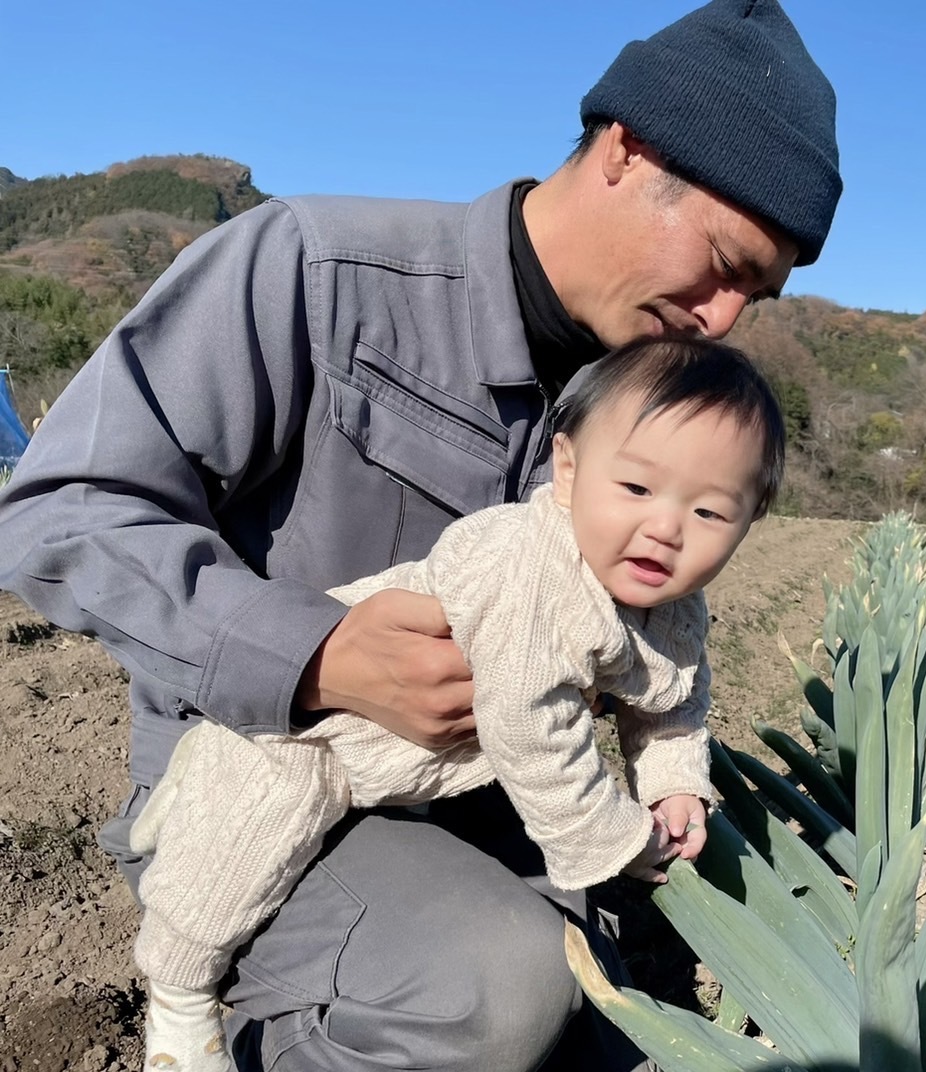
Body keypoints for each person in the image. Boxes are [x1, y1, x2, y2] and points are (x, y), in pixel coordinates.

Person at [0, 0, 840, 1068]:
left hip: (488, 813)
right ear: (627, 150)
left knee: (609, 1016)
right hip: (269, 780)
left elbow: (663, 663)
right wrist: (312, 655)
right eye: (722, 260)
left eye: (755, 295)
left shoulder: (652, 413)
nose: (723, 318)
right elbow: (62, 503)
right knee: (497, 987)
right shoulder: (318, 271)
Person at [127, 337, 784, 1072]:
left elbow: (671, 706)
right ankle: (179, 1011)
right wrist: (621, 840)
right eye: (636, 489)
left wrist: (672, 785)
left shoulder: (675, 609)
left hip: (412, 781)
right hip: (304, 739)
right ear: (568, 472)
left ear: (749, 523)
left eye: (708, 511)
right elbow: (533, 733)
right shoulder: (526, 568)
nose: (665, 528)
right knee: (228, 873)